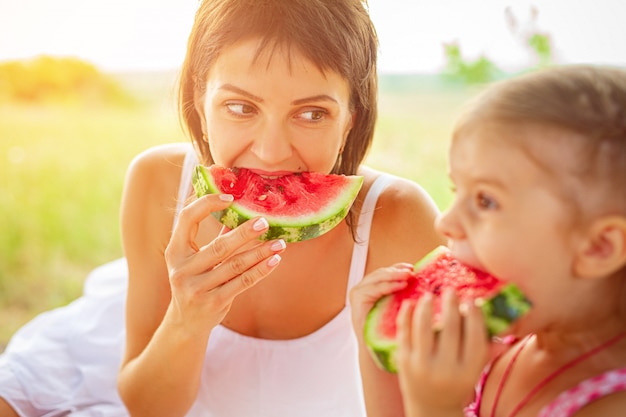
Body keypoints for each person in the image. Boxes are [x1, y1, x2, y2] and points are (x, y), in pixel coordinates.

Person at [0, 1, 444, 416]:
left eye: (311, 114)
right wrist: (186, 321)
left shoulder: (399, 220)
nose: (271, 152)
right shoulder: (157, 180)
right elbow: (147, 405)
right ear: (200, 99)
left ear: (351, 117)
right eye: (239, 107)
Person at [351, 64, 626, 417]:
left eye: (486, 201)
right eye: (456, 192)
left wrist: (436, 408)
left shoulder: (609, 404)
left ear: (598, 247)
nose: (445, 222)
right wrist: (378, 353)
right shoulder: (505, 344)